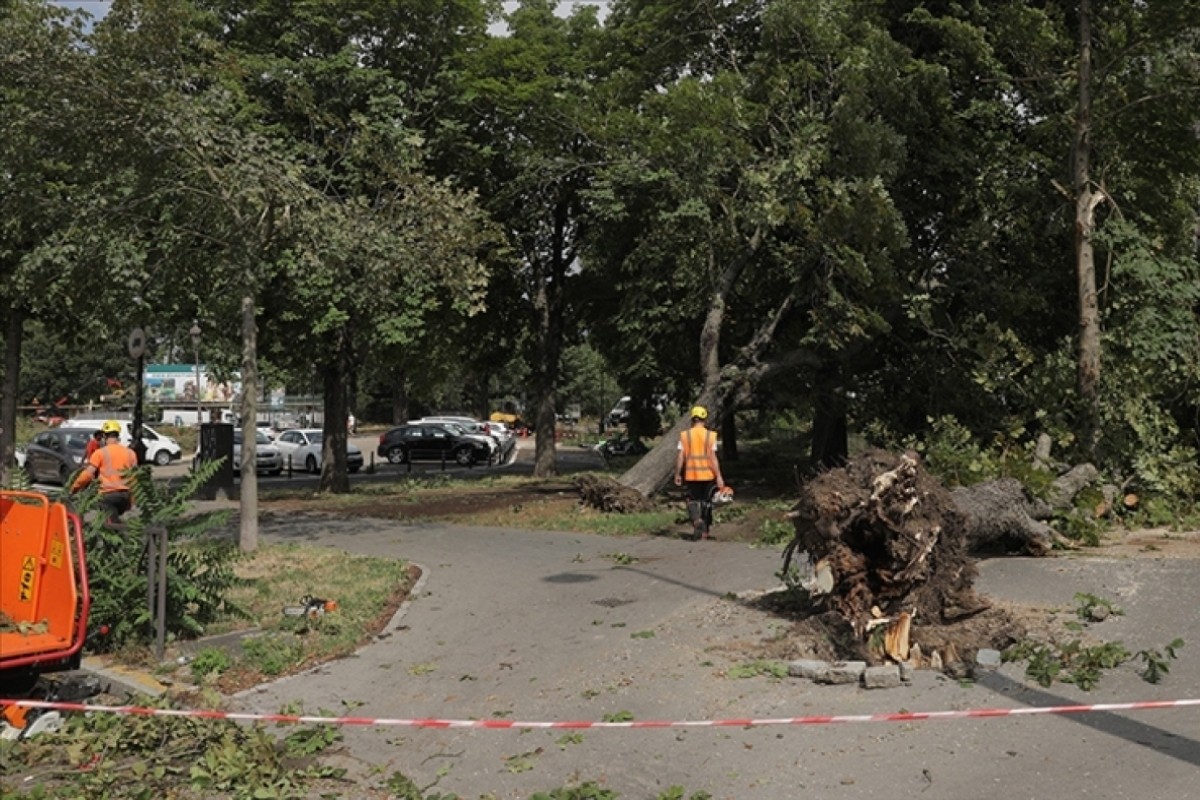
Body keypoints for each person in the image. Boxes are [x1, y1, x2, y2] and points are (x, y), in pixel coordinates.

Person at [71, 420, 138, 525]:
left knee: (110, 527)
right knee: (117, 523)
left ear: (104, 436)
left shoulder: (100, 453)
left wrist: (74, 487)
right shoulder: (130, 453)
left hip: (107, 496)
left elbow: (88, 474)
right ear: (117, 435)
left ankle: (116, 537)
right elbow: (135, 478)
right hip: (125, 496)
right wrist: (133, 499)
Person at [674, 405, 725, 540]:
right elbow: (712, 458)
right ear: (704, 419)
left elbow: (681, 456)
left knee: (691, 500)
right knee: (707, 503)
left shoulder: (685, 435)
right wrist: (719, 476)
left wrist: (678, 474)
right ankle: (705, 532)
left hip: (691, 475)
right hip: (708, 475)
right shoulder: (710, 436)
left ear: (692, 419)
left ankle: (697, 521)